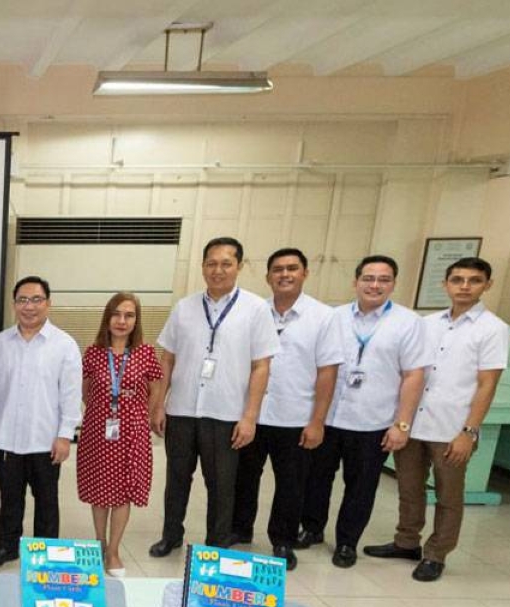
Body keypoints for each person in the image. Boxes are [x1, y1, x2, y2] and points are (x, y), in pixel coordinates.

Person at [363, 257, 509, 581]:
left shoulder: (493, 329)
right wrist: (400, 421)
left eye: (473, 280)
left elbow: (487, 384)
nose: (465, 286)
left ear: (488, 284)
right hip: (413, 423)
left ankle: (436, 554)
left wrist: (468, 432)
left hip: (451, 427)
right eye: (457, 280)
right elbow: (410, 372)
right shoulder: (427, 324)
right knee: (409, 489)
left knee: (448, 496)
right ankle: (406, 542)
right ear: (445, 284)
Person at [149, 237, 279, 557]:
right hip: (182, 409)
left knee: (221, 484)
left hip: (226, 412)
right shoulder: (185, 307)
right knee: (177, 479)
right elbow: (167, 358)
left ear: (239, 266)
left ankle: (217, 543)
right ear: (203, 266)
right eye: (211, 263)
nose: (218, 270)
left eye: (226, 263)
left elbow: (262, 366)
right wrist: (158, 405)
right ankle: (171, 535)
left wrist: (249, 417)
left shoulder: (256, 309)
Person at [298, 255, 428, 569]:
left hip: (374, 421)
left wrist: (402, 424)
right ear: (355, 281)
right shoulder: (334, 317)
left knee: (361, 486)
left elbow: (414, 376)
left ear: (393, 284)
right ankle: (312, 528)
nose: (375, 285)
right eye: (368, 278)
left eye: (383, 279)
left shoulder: (408, 323)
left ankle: (346, 542)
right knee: (315, 479)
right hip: (329, 417)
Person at [231, 249, 342, 570]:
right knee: (245, 478)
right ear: (268, 277)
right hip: (252, 414)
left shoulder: (323, 317)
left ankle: (282, 540)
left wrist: (317, 421)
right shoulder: (254, 311)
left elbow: (327, 372)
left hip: (295, 416)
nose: (284, 274)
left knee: (291, 484)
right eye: (277, 269)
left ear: (305, 273)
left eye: (292, 268)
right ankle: (240, 529)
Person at [0, 276, 82, 569]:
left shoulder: (64, 345)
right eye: (23, 300)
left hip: (45, 440)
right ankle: (7, 546)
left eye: (36, 299)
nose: (29, 306)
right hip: (6, 437)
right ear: (14, 304)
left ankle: (46, 555)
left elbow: (71, 395)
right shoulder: (0, 343)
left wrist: (65, 436)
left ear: (48, 303)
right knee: (9, 499)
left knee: (47, 501)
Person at [76, 292, 163, 577]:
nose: (122, 321)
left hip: (132, 433)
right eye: (116, 314)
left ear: (136, 320)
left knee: (123, 492)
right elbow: (86, 391)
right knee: (99, 492)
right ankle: (99, 543)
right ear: (107, 318)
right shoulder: (93, 353)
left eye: (129, 315)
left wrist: (140, 415)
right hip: (97, 431)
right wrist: (108, 409)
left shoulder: (146, 353)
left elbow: (156, 389)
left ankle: (114, 550)